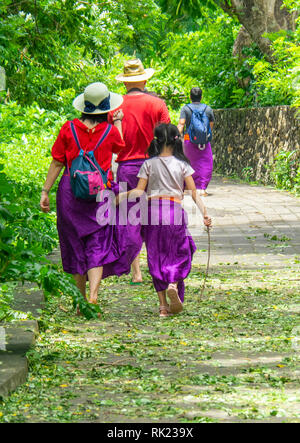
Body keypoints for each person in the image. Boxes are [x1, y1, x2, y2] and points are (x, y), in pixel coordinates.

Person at [40, 82, 140, 310]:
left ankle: (79, 301)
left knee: (74, 245)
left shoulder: (68, 129)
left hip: (70, 194)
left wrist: (45, 191)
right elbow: (120, 148)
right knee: (98, 243)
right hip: (100, 193)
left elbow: (57, 161)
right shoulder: (110, 131)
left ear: (83, 106)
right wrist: (117, 123)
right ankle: (93, 295)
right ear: (106, 108)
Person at [118, 123, 212, 318]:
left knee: (156, 256)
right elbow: (194, 193)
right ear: (176, 140)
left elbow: (138, 191)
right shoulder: (183, 165)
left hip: (152, 213)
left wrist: (119, 197)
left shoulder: (148, 164)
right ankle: (173, 283)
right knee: (180, 251)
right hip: (174, 211)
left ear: (156, 141)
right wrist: (204, 214)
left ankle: (162, 307)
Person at [110, 58, 171, 284]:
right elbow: (166, 138)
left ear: (125, 82)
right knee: (154, 217)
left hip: (126, 166)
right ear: (144, 79)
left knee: (130, 218)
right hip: (153, 167)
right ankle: (157, 266)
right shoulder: (158, 105)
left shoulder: (115, 107)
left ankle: (136, 271)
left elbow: (113, 141)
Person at [178, 87, 215, 197]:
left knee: (187, 163)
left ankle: (187, 188)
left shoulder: (186, 109)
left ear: (190, 97)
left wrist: (176, 136)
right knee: (205, 163)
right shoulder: (207, 109)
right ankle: (202, 188)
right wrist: (203, 135)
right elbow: (211, 124)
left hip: (188, 139)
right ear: (201, 97)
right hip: (204, 141)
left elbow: (181, 124)